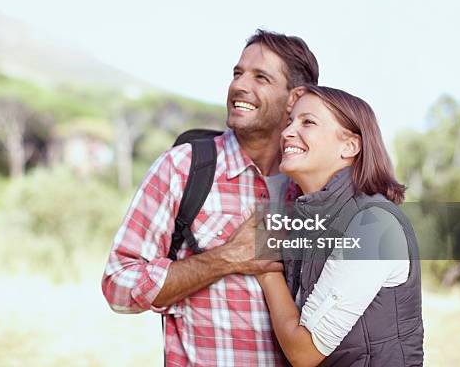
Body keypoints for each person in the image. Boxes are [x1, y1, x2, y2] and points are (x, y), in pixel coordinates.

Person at [102, 30, 320, 366]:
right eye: (237, 73)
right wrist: (227, 257)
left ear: (295, 98)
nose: (239, 86)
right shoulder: (183, 168)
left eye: (260, 77)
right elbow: (118, 285)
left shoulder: (315, 186)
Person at [247, 85, 424, 366]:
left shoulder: (373, 225)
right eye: (290, 121)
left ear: (350, 146)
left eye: (308, 122)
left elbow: (304, 352)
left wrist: (266, 271)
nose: (286, 133)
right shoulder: (307, 219)